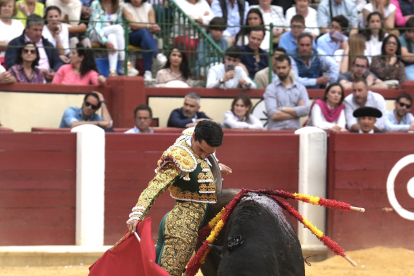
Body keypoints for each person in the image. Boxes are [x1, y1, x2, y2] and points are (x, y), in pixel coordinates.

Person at [126, 120, 232, 276]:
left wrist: (214, 165)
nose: (203, 156)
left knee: (154, 269)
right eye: (200, 150)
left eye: (208, 154)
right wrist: (138, 213)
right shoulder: (178, 157)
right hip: (183, 225)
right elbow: (155, 186)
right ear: (194, 137)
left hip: (181, 221)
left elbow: (203, 137)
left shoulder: (195, 137)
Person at [5, 14, 63, 82]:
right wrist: (35, 71)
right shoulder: (15, 43)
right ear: (27, 28)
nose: (38, 33)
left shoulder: (47, 44)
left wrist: (54, 73)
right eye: (35, 30)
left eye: (40, 30)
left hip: (47, 83)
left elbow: (58, 62)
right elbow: (11, 63)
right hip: (22, 82)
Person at [123, 0, 167, 81]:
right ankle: (157, 55)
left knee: (145, 41)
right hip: (131, 35)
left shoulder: (149, 7)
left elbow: (152, 25)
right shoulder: (125, 7)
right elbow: (133, 25)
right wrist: (148, 26)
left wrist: (155, 28)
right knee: (144, 31)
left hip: (145, 36)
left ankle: (147, 72)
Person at [263, 54, 310, 130]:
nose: (281, 71)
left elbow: (306, 110)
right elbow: (273, 114)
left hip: (294, 133)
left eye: (284, 67)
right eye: (278, 68)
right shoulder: (271, 88)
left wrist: (282, 108)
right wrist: (297, 111)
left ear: (290, 68)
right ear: (275, 69)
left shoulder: (300, 88)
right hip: (275, 133)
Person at [86, 0, 127, 76]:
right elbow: (96, 26)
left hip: (111, 32)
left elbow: (121, 24)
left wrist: (118, 37)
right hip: (95, 33)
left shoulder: (119, 5)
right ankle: (124, 61)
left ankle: (112, 72)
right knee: (118, 28)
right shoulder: (96, 4)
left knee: (113, 36)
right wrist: (105, 41)